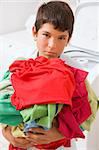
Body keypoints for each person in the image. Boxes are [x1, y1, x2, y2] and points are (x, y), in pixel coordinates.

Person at [1, 1, 98, 150]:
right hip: (24, 144)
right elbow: (4, 101)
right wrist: (8, 134)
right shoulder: (21, 65)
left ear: (69, 39)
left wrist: (60, 134)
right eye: (46, 35)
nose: (52, 45)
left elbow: (87, 114)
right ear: (35, 32)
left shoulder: (74, 71)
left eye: (61, 38)